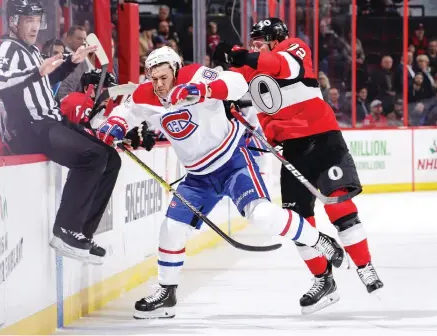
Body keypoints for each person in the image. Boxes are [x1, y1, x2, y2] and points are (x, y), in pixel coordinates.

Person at [95, 46, 347, 319]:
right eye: (153, 78)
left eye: (164, 77)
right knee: (171, 228)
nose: (158, 85)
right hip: (197, 178)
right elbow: (127, 109)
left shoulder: (194, 75)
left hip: (232, 162)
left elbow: (236, 83)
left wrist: (201, 91)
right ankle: (167, 293)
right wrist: (115, 124)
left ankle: (320, 240)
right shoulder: (147, 94)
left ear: (176, 70)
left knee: (261, 216)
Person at [214, 17, 384, 314]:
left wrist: (240, 54)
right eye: (253, 40)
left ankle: (364, 266)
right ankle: (323, 281)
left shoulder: (294, 47)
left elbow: (283, 66)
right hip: (290, 149)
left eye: (261, 39)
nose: (256, 44)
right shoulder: (248, 67)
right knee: (298, 220)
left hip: (322, 138)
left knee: (338, 203)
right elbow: (221, 86)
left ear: (276, 37)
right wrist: (221, 61)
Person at [0, 0, 121, 265]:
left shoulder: (31, 50)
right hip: (30, 129)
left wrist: (71, 62)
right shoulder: (9, 49)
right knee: (92, 158)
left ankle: (81, 232)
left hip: (50, 121)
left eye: (37, 20)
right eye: (28, 20)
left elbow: (41, 84)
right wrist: (37, 73)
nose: (34, 26)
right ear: (13, 22)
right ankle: (65, 230)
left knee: (111, 158)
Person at [60, 69, 156, 152]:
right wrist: (123, 133)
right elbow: (86, 133)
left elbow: (95, 127)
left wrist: (128, 133)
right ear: (87, 89)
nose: (108, 96)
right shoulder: (80, 101)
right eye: (104, 90)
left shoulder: (94, 107)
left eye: (110, 92)